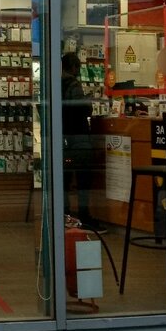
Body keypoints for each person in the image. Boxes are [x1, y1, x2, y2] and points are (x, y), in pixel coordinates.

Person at [61, 52, 104, 232]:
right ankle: (84, 216)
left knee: (64, 179)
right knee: (84, 177)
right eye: (78, 67)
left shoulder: (56, 83)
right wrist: (88, 103)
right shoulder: (73, 84)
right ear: (74, 67)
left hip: (63, 137)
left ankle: (65, 216)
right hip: (79, 137)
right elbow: (82, 109)